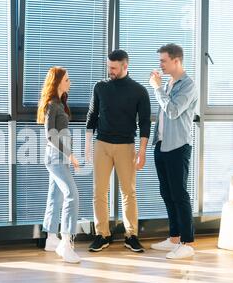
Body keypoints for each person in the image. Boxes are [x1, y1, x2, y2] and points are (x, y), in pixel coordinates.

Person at [86, 49, 151, 253]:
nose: (110, 71)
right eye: (108, 67)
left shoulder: (139, 91)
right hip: (102, 145)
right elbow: (92, 115)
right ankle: (102, 234)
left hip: (126, 146)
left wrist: (142, 151)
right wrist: (88, 145)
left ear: (125, 66)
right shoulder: (100, 87)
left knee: (129, 192)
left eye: (113, 67)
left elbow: (145, 123)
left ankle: (131, 235)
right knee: (99, 192)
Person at [149, 43, 197, 259]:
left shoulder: (188, 85)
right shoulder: (169, 83)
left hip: (178, 146)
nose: (160, 65)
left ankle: (187, 242)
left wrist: (157, 89)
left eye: (163, 61)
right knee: (167, 192)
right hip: (162, 144)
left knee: (179, 194)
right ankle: (174, 238)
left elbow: (173, 111)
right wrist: (161, 88)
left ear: (176, 60)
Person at [37, 66, 81, 263]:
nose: (70, 82)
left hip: (58, 157)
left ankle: (51, 238)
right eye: (67, 79)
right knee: (71, 195)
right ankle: (66, 242)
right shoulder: (52, 105)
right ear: (57, 82)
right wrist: (70, 155)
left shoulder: (60, 103)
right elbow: (50, 135)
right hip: (56, 157)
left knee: (55, 196)